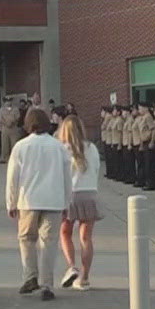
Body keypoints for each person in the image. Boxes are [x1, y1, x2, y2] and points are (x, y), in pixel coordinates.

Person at [5, 106, 71, 301]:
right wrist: (67, 201)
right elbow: (67, 176)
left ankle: (30, 276)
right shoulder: (58, 146)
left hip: (28, 200)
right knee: (49, 243)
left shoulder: (21, 146)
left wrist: (11, 202)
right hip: (53, 199)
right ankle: (47, 285)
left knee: (27, 240)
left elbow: (12, 177)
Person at [56, 115, 102, 291]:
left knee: (65, 232)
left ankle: (71, 266)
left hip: (70, 194)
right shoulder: (92, 148)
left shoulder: (62, 149)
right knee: (86, 238)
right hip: (89, 193)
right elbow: (97, 169)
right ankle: (85, 278)